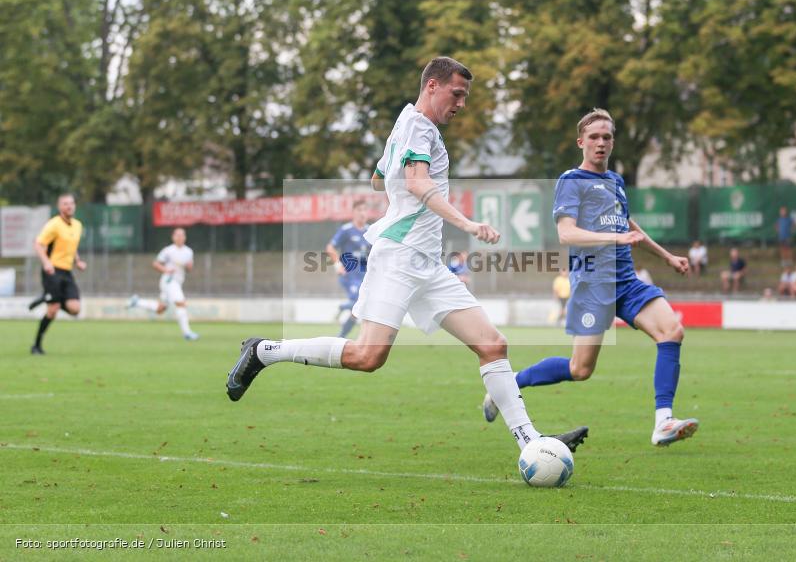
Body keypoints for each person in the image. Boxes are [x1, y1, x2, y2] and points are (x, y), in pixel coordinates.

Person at [226, 57, 588, 454]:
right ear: (432, 85)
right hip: (400, 257)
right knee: (368, 356)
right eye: (457, 93)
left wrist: (403, 187)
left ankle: (531, 443)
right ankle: (264, 351)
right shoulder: (419, 126)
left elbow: (379, 179)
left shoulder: (406, 122)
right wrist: (466, 224)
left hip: (427, 264)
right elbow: (414, 182)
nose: (461, 103)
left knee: (492, 345)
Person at [483, 108, 698, 447]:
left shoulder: (616, 181)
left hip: (625, 281)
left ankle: (663, 422)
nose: (601, 143)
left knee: (672, 331)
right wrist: (614, 239)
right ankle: (509, 383)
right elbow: (567, 234)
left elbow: (628, 226)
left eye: (607, 137)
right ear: (581, 141)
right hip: (592, 284)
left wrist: (667, 256)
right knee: (580, 369)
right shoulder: (571, 181)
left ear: (613, 142)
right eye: (594, 137)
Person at [30, 194, 86, 354]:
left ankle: (47, 297)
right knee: (53, 310)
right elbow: (38, 244)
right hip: (52, 270)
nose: (69, 206)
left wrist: (78, 261)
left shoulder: (77, 225)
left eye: (71, 203)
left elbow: (72, 246)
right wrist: (46, 262)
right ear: (59, 207)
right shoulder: (53, 224)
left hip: (67, 271)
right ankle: (36, 345)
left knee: (75, 309)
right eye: (65, 204)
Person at [127, 227, 198, 340]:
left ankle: (137, 302)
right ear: (173, 237)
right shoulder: (168, 250)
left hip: (177, 282)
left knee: (161, 309)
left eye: (182, 235)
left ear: (185, 237)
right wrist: (165, 270)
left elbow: (189, 268)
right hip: (169, 281)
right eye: (178, 235)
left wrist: (189, 266)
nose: (180, 238)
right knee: (181, 303)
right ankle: (187, 333)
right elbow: (156, 263)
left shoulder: (188, 251)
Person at [325, 200, 370, 338]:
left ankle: (341, 337)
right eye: (359, 210)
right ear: (354, 212)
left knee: (358, 310)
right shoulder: (346, 230)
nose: (362, 213)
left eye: (364, 210)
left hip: (364, 275)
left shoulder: (370, 231)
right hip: (350, 275)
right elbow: (330, 247)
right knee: (358, 304)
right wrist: (338, 265)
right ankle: (343, 309)